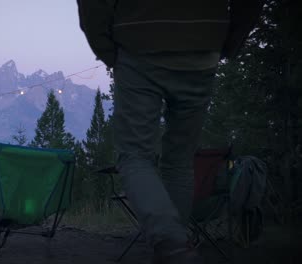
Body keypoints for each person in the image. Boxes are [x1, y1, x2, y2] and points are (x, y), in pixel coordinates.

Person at [77, 1, 263, 263]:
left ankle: (172, 243)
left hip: (138, 46)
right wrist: (227, 40)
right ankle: (177, 247)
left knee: (134, 156)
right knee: (180, 161)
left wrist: (108, 50)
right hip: (202, 48)